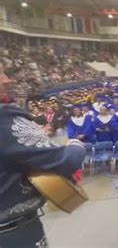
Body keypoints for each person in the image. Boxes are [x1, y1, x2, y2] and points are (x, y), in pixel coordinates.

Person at [0, 68, 86, 247]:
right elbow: (64, 161)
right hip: (14, 235)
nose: (7, 80)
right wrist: (75, 145)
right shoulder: (3, 117)